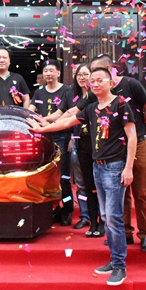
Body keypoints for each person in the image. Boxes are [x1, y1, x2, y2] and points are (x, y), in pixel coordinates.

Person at [27, 67, 137, 286]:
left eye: (99, 80)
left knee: (113, 217)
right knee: (105, 215)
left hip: (115, 167)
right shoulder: (92, 108)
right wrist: (42, 129)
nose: (94, 84)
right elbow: (67, 122)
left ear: (110, 82)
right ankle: (114, 260)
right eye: (92, 81)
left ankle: (119, 266)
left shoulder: (121, 104)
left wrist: (128, 168)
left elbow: (132, 136)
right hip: (98, 167)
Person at [90, 54, 146, 252]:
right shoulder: (98, 92)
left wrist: (135, 128)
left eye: (97, 72)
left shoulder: (131, 84)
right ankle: (124, 232)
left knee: (140, 192)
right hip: (116, 149)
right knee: (121, 192)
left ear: (108, 69)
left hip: (138, 143)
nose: (95, 78)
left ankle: (145, 234)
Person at [47, 63, 100, 235]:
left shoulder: (97, 93)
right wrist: (44, 122)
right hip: (77, 142)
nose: (82, 78)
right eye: (79, 75)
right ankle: (85, 216)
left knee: (98, 181)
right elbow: (62, 113)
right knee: (81, 181)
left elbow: (72, 113)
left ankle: (101, 218)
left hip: (98, 144)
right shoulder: (70, 93)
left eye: (85, 74)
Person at [29, 60, 74, 225]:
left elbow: (67, 114)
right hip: (43, 138)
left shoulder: (67, 91)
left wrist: (72, 137)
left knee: (63, 176)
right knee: (46, 175)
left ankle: (67, 208)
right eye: (45, 71)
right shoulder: (39, 92)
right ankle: (53, 209)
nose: (48, 73)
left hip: (62, 136)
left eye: (51, 70)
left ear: (58, 73)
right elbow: (31, 109)